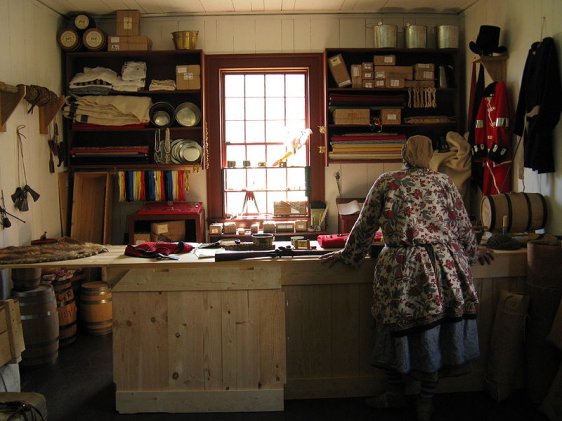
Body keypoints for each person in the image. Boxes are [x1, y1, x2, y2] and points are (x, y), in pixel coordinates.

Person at [320, 135, 494, 421]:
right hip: (444, 267)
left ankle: (394, 394)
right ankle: (426, 401)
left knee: (395, 326)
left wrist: (348, 256)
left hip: (402, 266)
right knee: (433, 330)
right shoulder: (444, 182)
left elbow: (364, 226)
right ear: (431, 155)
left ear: (404, 153)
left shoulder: (387, 181)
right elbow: (462, 225)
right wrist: (474, 252)